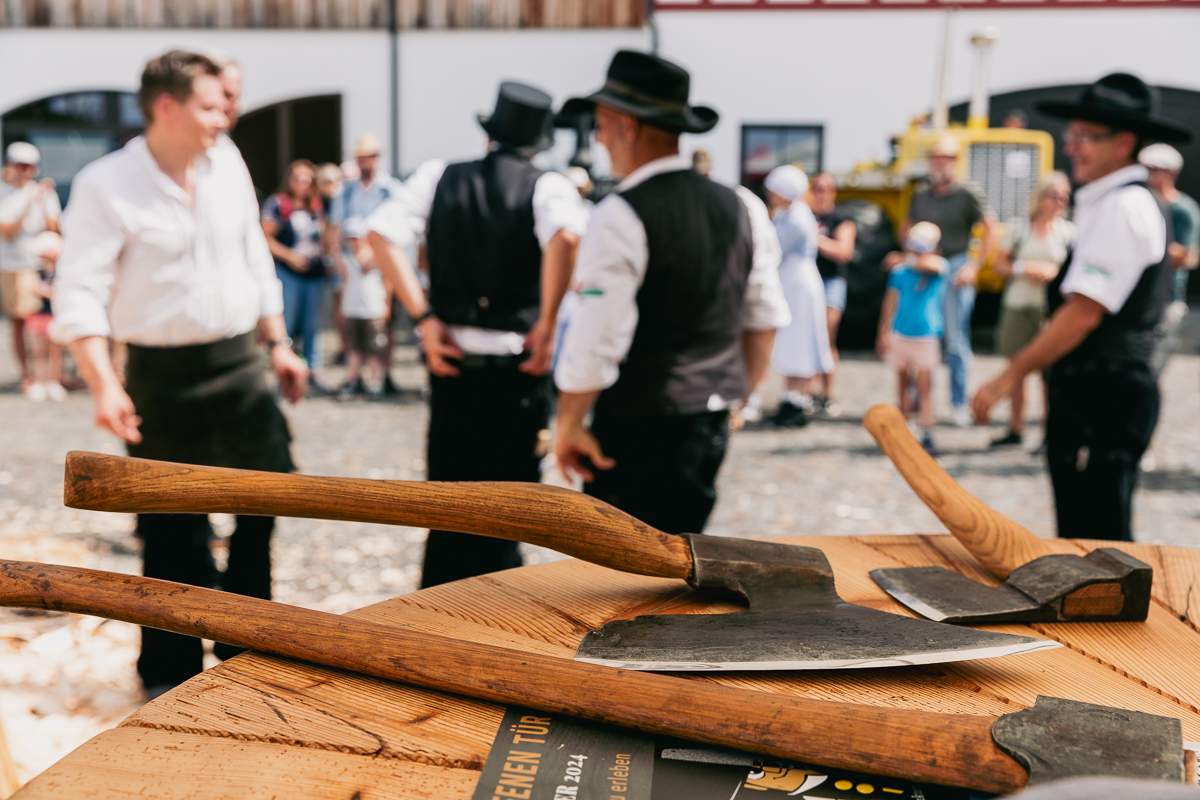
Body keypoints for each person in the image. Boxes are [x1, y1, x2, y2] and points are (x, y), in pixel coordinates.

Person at [51, 50, 308, 694]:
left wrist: (277, 343)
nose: (226, 115)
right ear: (167, 107)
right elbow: (79, 290)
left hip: (238, 362)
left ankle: (251, 647)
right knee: (171, 528)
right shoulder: (106, 183)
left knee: (264, 505)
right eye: (211, 104)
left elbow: (254, 255)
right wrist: (104, 384)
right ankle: (170, 675)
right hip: (160, 376)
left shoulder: (229, 163)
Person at [553, 50, 789, 535]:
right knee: (683, 565)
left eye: (599, 124)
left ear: (627, 127)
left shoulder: (619, 213)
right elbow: (763, 316)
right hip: (708, 420)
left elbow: (596, 337)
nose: (597, 138)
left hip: (642, 423)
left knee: (622, 584)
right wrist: (738, 397)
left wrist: (570, 423)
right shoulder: (742, 203)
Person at [366, 81, 587, 587]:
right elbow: (567, 238)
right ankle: (495, 622)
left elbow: (380, 233)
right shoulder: (547, 184)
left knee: (447, 505)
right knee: (510, 512)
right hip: (516, 367)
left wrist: (424, 319)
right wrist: (548, 322)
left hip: (454, 363)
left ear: (491, 132)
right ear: (537, 141)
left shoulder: (439, 175)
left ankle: (438, 619)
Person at [973, 72, 1191, 542]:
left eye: (1084, 137)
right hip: (1098, 388)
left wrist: (1007, 377)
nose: (1071, 146)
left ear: (1124, 142)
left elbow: (1084, 313)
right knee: (1087, 537)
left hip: (1105, 390)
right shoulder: (1113, 203)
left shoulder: (1124, 207)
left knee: (1097, 543)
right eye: (1071, 135)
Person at [890, 135, 994, 427]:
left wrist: (975, 265)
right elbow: (906, 227)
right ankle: (914, 404)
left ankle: (959, 403)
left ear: (955, 162)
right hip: (925, 268)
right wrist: (910, 256)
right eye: (935, 158)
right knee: (917, 335)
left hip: (956, 266)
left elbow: (989, 228)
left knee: (955, 339)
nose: (940, 164)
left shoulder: (967, 193)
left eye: (945, 158)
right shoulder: (921, 194)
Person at [988, 172, 1075, 447]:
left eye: (1064, 197)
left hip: (1050, 309)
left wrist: (1053, 273)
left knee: (1049, 374)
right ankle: (1016, 427)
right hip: (1018, 304)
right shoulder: (1019, 228)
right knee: (1016, 369)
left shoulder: (1068, 232)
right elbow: (999, 266)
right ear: (1041, 197)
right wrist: (1023, 268)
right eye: (1055, 196)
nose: (1059, 202)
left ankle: (1051, 432)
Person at [327, 133, 403, 393]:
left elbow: (399, 229)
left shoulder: (390, 189)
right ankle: (354, 376)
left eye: (367, 157)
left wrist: (378, 255)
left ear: (376, 159)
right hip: (352, 264)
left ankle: (384, 374)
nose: (363, 162)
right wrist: (338, 259)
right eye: (359, 158)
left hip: (383, 262)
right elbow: (335, 229)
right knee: (352, 322)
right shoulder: (346, 191)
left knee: (385, 320)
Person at [764, 165, 832, 428]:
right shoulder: (789, 213)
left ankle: (798, 401)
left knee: (802, 343)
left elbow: (775, 248)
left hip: (799, 286)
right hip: (790, 284)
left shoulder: (796, 217)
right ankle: (789, 398)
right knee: (792, 342)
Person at [877, 222, 949, 454]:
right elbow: (890, 302)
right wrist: (883, 332)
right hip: (901, 334)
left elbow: (934, 266)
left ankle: (926, 431)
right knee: (902, 383)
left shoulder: (935, 266)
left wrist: (904, 258)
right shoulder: (900, 272)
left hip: (926, 336)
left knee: (924, 387)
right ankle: (905, 426)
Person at [0, 142, 61, 393]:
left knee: (47, 322)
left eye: (30, 167)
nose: (25, 171)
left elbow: (54, 229)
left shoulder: (43, 191)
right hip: (13, 265)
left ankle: (50, 376)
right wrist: (28, 202)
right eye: (21, 166)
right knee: (22, 321)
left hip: (41, 265)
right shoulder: (3, 191)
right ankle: (30, 375)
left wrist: (42, 199)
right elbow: (8, 232)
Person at [1139, 143, 1199, 377]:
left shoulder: (1184, 210)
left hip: (1167, 299)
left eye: (1154, 169)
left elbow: (1187, 257)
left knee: (1152, 367)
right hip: (1139, 297)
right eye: (1145, 168)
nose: (1148, 174)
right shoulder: (1141, 202)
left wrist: (1143, 245)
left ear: (1171, 173)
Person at [262, 159, 326, 375]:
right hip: (288, 272)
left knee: (311, 325)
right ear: (289, 180)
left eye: (307, 180)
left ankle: (312, 370)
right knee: (287, 321)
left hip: (313, 274)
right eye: (298, 179)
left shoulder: (317, 205)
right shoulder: (279, 204)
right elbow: (264, 237)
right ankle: (285, 368)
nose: (303, 184)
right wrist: (290, 257)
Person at [807, 171, 856, 417]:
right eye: (817, 187)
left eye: (826, 188)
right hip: (807, 281)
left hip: (830, 281)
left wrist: (814, 238)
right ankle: (808, 392)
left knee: (825, 336)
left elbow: (844, 250)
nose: (821, 193)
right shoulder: (805, 215)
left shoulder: (841, 218)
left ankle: (826, 394)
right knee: (806, 337)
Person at [337, 221, 389, 399]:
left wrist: (387, 305)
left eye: (355, 237)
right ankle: (352, 380)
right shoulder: (345, 258)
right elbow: (342, 279)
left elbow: (387, 281)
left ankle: (374, 382)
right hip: (352, 309)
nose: (353, 242)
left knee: (375, 348)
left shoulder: (377, 256)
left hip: (373, 309)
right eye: (350, 238)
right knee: (353, 348)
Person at [24, 231, 66, 402]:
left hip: (54, 316)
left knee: (55, 352)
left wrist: (43, 290)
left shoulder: (62, 273)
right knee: (37, 351)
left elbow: (60, 294)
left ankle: (54, 381)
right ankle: (39, 381)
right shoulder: (35, 272)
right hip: (37, 315)